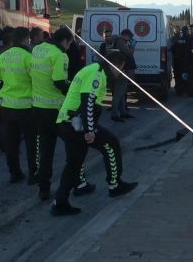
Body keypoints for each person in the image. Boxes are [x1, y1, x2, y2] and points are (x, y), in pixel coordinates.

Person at [51, 51, 139, 215]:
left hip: (67, 122)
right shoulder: (97, 73)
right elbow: (88, 102)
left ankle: (60, 201)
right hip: (76, 124)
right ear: (116, 66)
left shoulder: (93, 69)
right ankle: (115, 185)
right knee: (111, 144)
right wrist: (89, 130)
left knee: (74, 163)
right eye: (121, 69)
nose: (120, 73)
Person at [31, 27, 92, 199]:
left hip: (38, 106)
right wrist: (76, 88)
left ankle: (43, 188)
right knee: (75, 147)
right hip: (56, 109)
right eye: (69, 43)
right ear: (65, 40)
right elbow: (59, 82)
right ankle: (79, 183)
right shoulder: (60, 55)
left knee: (45, 150)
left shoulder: (38, 49)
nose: (69, 47)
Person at [0, 27, 38, 183]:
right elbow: (36, 81)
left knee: (11, 143)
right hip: (26, 107)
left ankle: (14, 173)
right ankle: (34, 174)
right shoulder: (29, 57)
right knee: (32, 144)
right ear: (26, 39)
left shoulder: (3, 56)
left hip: (6, 107)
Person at [171, 26, 191, 96]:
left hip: (178, 61)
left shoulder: (178, 39)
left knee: (178, 76)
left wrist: (177, 55)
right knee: (186, 76)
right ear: (187, 31)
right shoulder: (190, 39)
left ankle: (179, 90)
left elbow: (173, 49)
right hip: (187, 61)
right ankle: (187, 90)